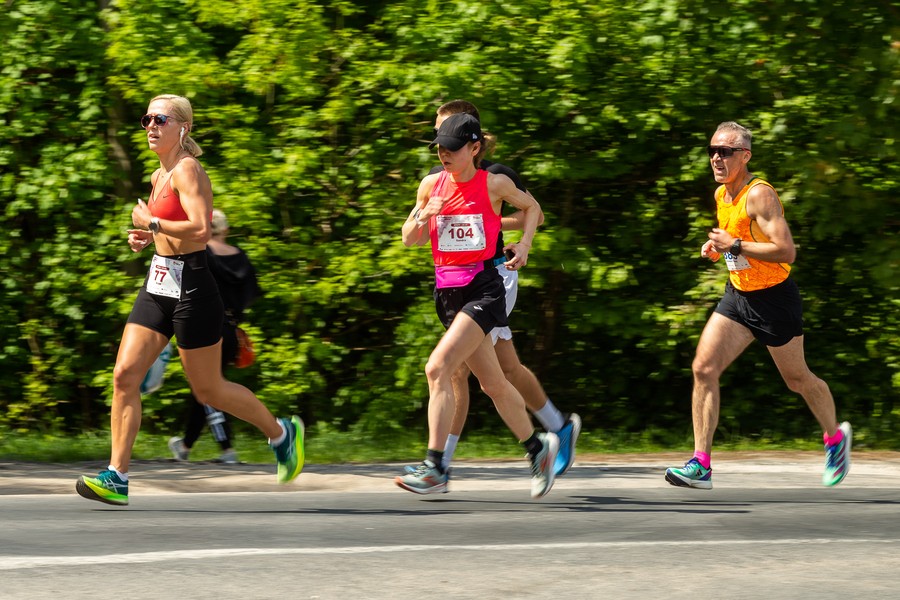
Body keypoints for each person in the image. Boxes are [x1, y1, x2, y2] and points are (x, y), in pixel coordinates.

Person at [76, 94, 304, 506]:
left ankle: (282, 433)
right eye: (146, 118)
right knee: (124, 375)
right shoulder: (157, 175)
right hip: (158, 284)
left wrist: (152, 221)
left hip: (193, 290)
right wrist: (148, 238)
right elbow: (171, 231)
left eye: (159, 119)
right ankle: (117, 476)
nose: (150, 125)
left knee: (210, 390)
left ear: (183, 127)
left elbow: (200, 230)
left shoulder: (188, 169)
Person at [665, 121, 851, 490]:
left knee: (797, 380)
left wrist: (732, 245)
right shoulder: (722, 195)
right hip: (738, 296)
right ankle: (701, 464)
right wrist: (718, 248)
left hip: (774, 300)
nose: (716, 158)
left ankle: (835, 439)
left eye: (726, 152)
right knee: (703, 368)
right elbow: (739, 242)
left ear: (744, 156)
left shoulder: (759, 194)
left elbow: (786, 251)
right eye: (713, 151)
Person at [414, 100, 580, 483]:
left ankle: (439, 464)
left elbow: (531, 213)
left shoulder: (495, 176)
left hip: (493, 276)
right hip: (454, 282)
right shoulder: (437, 183)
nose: (443, 145)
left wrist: (488, 218)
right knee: (494, 372)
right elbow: (416, 234)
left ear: (472, 140)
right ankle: (552, 431)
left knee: (452, 370)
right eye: (439, 135)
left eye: (451, 135)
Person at [167, 209, 262, 465]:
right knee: (207, 389)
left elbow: (179, 288)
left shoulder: (201, 255)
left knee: (208, 390)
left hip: (203, 329)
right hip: (231, 330)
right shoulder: (241, 257)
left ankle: (227, 448)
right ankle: (185, 446)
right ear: (226, 230)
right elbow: (252, 294)